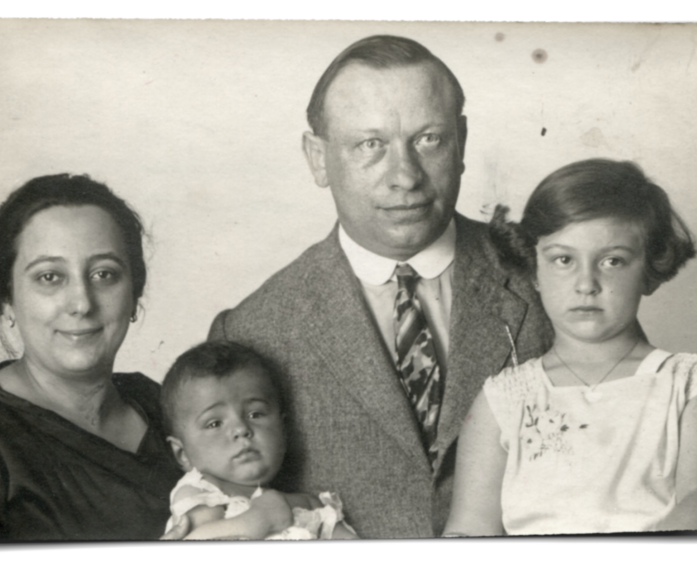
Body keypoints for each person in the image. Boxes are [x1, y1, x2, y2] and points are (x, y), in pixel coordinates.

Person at [208, 35, 553, 538]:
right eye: (370, 145)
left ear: (461, 142)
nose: (405, 176)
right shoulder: (252, 331)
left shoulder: (550, 282)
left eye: (428, 139)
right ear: (318, 158)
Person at [443, 159, 697, 536]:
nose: (586, 284)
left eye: (612, 261)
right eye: (563, 260)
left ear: (650, 269)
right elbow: (469, 528)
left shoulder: (689, 386)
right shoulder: (504, 399)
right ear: (533, 270)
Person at [0, 174, 185, 539]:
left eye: (104, 274)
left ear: (134, 294)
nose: (82, 303)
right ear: (6, 301)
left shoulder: (164, 405)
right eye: (49, 277)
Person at [159, 341, 358, 540]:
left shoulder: (310, 505)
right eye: (214, 424)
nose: (241, 429)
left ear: (283, 429)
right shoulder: (201, 490)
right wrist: (258, 519)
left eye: (255, 414)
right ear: (183, 454)